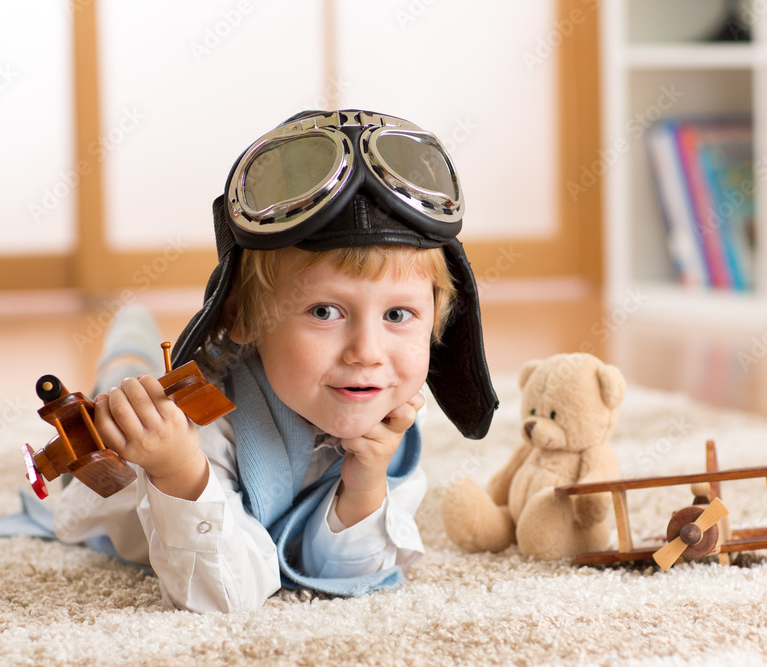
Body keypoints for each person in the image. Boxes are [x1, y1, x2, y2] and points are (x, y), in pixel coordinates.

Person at [53, 109, 498, 613]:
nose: (368, 353)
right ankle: (127, 336)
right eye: (325, 312)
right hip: (134, 455)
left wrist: (366, 484)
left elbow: (355, 574)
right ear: (243, 317)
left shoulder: (387, 423)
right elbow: (225, 594)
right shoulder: (205, 422)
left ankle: (131, 338)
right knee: (126, 390)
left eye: (398, 313)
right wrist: (177, 469)